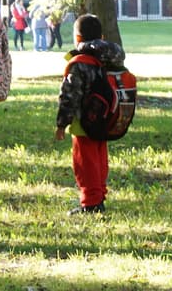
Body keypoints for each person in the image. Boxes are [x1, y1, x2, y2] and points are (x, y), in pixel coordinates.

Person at [54, 13, 127, 214]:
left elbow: (69, 96)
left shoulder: (79, 62)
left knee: (84, 164)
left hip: (83, 121)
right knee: (100, 160)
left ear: (78, 38)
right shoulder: (111, 58)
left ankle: (91, 203)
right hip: (106, 118)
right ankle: (99, 195)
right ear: (102, 36)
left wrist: (61, 123)